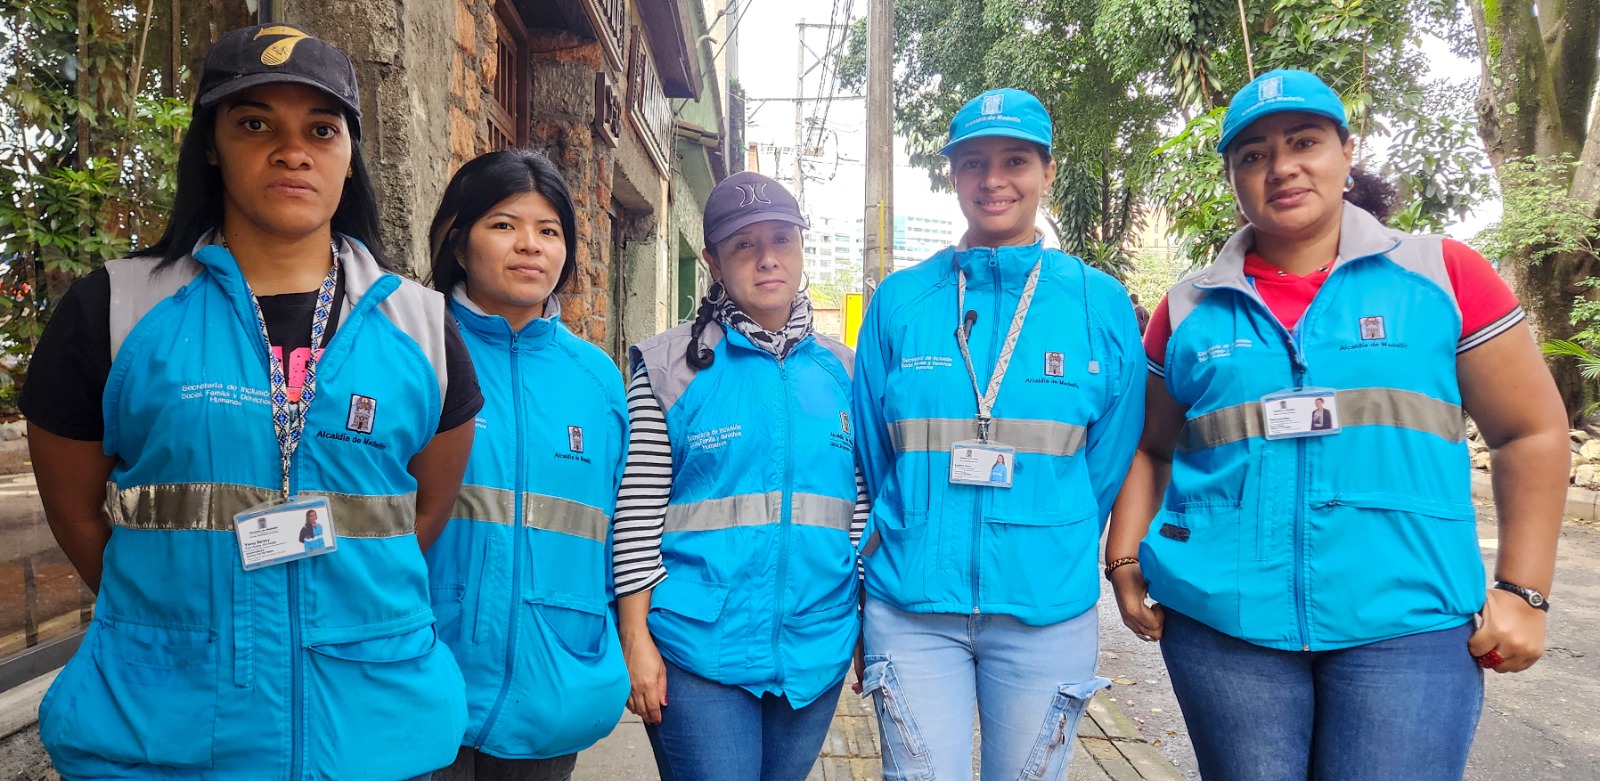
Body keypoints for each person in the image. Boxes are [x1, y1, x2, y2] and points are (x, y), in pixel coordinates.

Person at [22, 24, 481, 780]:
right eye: (256, 122)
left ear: (348, 156)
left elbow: (420, 515)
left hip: (373, 729)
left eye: (321, 129)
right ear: (212, 143)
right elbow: (76, 515)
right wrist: (176, 616)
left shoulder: (423, 328)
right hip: (164, 728)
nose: (291, 149)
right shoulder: (115, 309)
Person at [1106, 69, 1568, 781]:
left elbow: (1530, 431)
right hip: (1224, 628)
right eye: (1253, 154)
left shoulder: (1444, 275)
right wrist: (1126, 559)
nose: (1281, 166)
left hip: (1408, 627)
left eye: (1304, 142)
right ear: (1231, 175)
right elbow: (1148, 445)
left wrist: (1523, 590)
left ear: (1347, 152)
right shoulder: (1188, 309)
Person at [852, 87, 1144, 781]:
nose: (993, 180)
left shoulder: (1095, 301)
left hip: (1046, 608)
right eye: (973, 162)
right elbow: (872, 449)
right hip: (912, 605)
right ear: (952, 174)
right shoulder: (901, 301)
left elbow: (1107, 456)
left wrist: (1050, 526)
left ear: (1047, 170)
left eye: (1015, 159)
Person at [613, 171, 869, 781]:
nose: (766, 259)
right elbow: (637, 508)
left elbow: (859, 509)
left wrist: (865, 622)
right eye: (743, 246)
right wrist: (634, 640)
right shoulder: (669, 366)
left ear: (802, 247)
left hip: (817, 641)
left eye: (781, 239)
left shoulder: (847, 371)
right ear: (713, 261)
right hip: (698, 647)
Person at [424, 149, 630, 780]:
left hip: (553, 684)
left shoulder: (597, 380)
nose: (529, 247)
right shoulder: (414, 348)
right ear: (458, 243)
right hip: (426, 671)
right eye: (505, 224)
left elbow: (617, 526)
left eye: (549, 231)